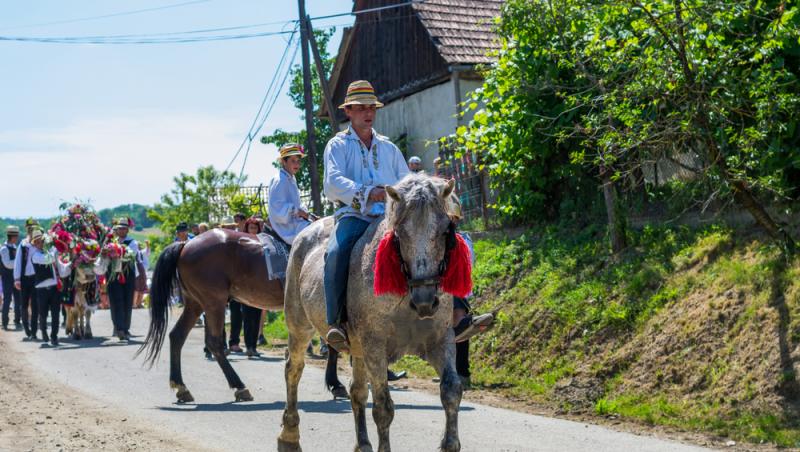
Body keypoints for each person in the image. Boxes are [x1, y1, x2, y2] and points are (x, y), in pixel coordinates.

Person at [323, 80, 410, 352]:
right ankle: (336, 323)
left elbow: (406, 181)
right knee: (336, 252)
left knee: (431, 243)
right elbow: (332, 182)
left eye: (371, 107)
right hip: (354, 215)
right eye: (361, 108)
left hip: (390, 217)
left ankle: (455, 314)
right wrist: (367, 192)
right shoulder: (337, 145)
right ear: (348, 111)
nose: (368, 112)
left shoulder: (389, 148)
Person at [29, 229, 71, 346]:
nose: (40, 244)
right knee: (43, 314)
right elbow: (49, 259)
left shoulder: (51, 252)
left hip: (53, 288)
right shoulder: (35, 255)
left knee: (55, 313)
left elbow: (61, 269)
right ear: (35, 244)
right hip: (41, 289)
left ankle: (54, 336)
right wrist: (55, 249)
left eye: (41, 241)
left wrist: (71, 264)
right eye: (37, 242)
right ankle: (43, 331)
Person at [105, 218, 141, 341]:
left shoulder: (132, 242)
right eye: (119, 228)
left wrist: (115, 250)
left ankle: (124, 328)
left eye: (124, 228)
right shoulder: (110, 241)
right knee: (115, 301)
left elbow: (131, 254)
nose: (121, 230)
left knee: (126, 301)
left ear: (127, 230)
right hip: (112, 274)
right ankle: (118, 327)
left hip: (127, 274)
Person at [14, 219, 40, 339]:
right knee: (23, 304)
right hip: (24, 278)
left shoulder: (39, 244)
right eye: (30, 228)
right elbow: (18, 262)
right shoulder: (23, 244)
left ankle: (34, 331)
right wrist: (17, 278)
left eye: (34, 228)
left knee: (35, 305)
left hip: (35, 278)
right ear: (27, 230)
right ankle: (26, 327)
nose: (31, 230)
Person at [1, 225, 21, 329]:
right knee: (7, 299)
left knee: (18, 299)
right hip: (7, 278)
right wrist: (19, 262)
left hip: (15, 277)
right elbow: (7, 264)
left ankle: (17, 320)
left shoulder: (14, 247)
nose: (17, 238)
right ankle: (5, 322)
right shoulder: (4, 249)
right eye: (16, 236)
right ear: (12, 237)